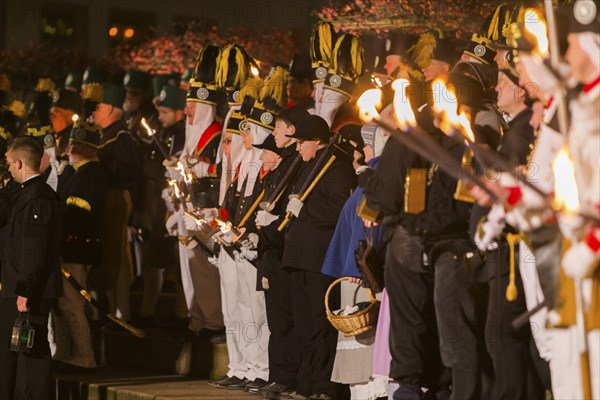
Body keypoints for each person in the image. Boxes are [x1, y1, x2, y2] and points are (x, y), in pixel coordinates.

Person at [281, 114, 357, 399]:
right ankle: (306, 383)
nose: (298, 148)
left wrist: (306, 211)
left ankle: (326, 387)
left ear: (316, 142)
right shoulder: (308, 166)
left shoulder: (336, 169)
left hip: (318, 259)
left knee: (319, 323)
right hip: (299, 258)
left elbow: (341, 210)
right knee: (303, 324)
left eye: (301, 142)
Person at [0, 137, 62, 400]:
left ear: (20, 162)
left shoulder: (38, 198)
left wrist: (25, 289)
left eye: (9, 164)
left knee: (33, 353)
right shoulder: (23, 192)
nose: (7, 169)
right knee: (12, 352)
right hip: (15, 286)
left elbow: (33, 250)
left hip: (27, 290)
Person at [52, 119, 106, 370]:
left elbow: (79, 212)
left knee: (73, 303)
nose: (70, 148)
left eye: (77, 145)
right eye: (71, 143)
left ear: (88, 148)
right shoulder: (73, 171)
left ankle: (85, 355)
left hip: (77, 247)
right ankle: (64, 351)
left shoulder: (92, 173)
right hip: (64, 246)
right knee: (61, 303)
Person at [94, 82, 141, 322]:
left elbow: (129, 174)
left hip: (116, 198)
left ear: (111, 108)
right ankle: (112, 309)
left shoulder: (121, 136)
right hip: (107, 198)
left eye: (99, 106)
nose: (94, 111)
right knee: (109, 255)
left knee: (116, 255)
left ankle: (120, 311)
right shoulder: (107, 134)